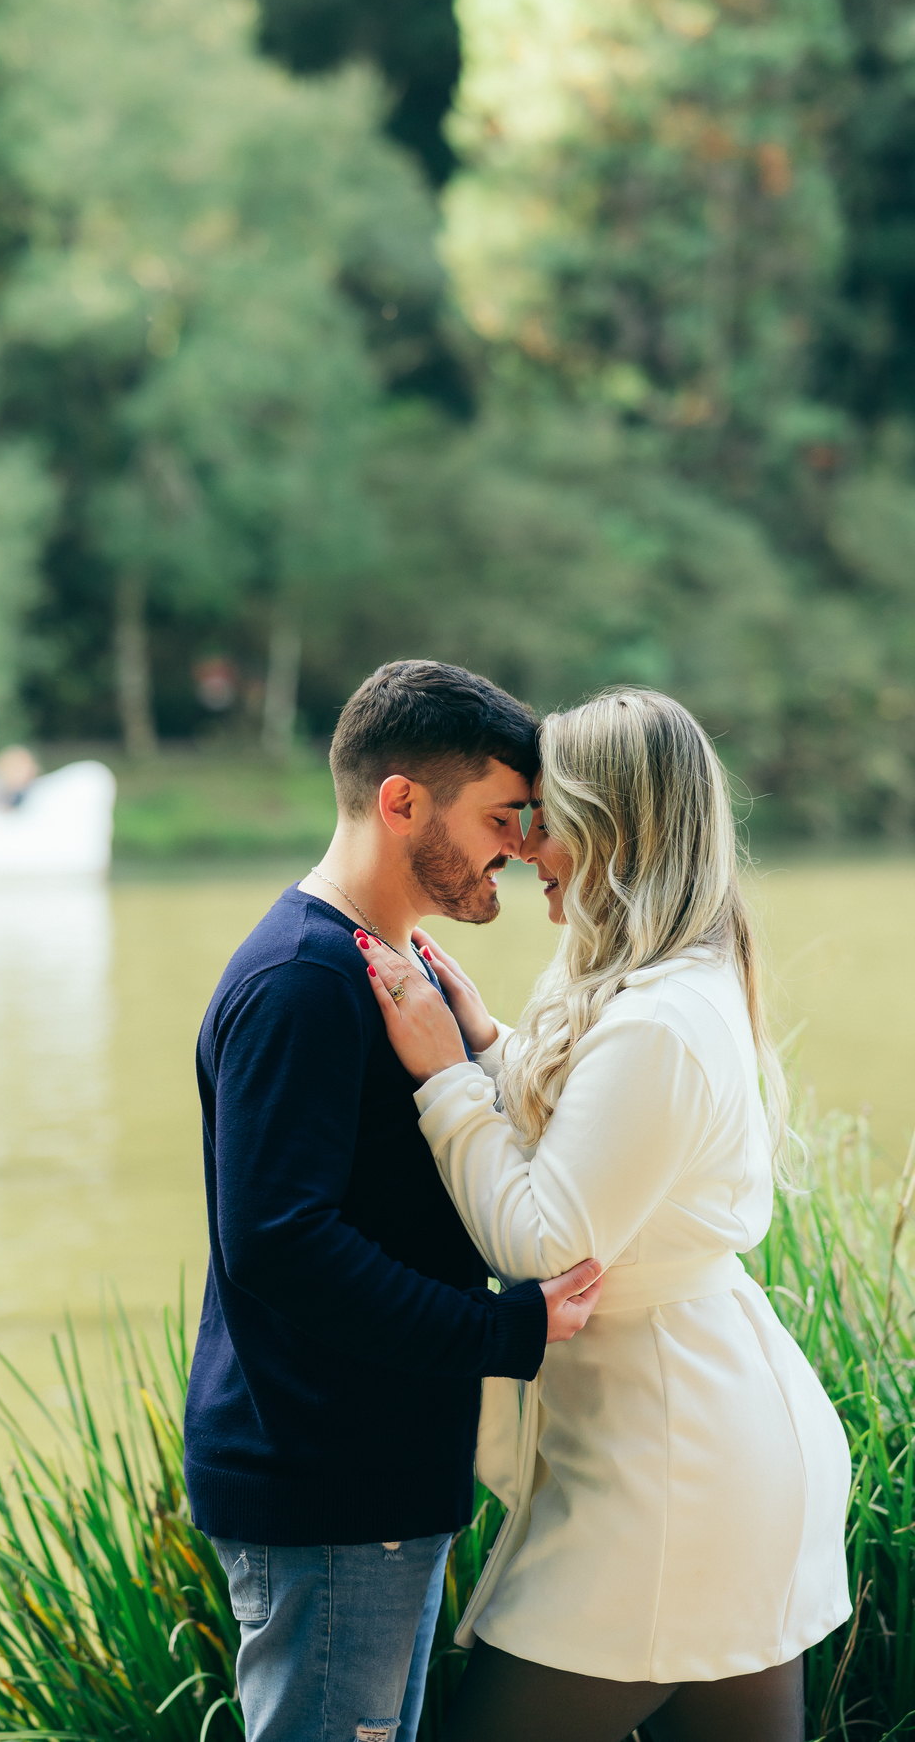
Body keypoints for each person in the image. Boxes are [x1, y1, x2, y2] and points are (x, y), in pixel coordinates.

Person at [357, 687, 852, 1742]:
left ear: (612, 830)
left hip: (672, 1471)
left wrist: (446, 1079)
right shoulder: (669, 986)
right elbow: (597, 1143)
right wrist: (493, 1047)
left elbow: (544, 1238)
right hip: (695, 1441)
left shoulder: (663, 1019)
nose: (526, 847)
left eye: (547, 820)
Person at [184, 660, 604, 1742]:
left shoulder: (389, 963)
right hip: (327, 1481)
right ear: (402, 801)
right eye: (502, 816)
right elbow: (281, 1242)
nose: (523, 844)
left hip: (375, 1474)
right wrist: (503, 1329)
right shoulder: (305, 980)